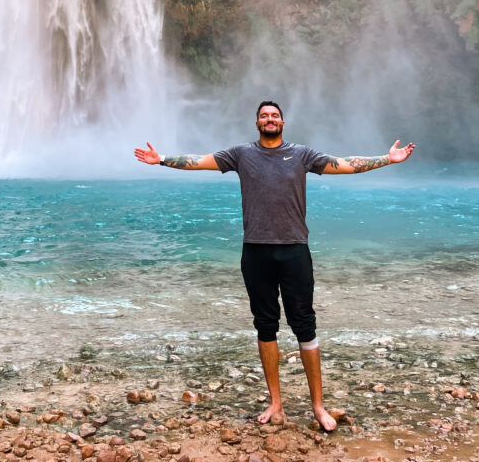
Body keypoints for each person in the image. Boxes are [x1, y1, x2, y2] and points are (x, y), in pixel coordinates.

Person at [134, 100, 415, 432]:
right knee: (265, 327)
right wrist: (162, 159)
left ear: (282, 123)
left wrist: (387, 159)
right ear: (257, 123)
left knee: (304, 325)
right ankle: (276, 403)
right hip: (255, 252)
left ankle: (318, 406)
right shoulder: (240, 154)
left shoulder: (302, 154)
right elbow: (199, 161)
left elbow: (344, 164)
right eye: (264, 116)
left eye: (275, 116)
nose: (270, 119)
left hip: (294, 250)